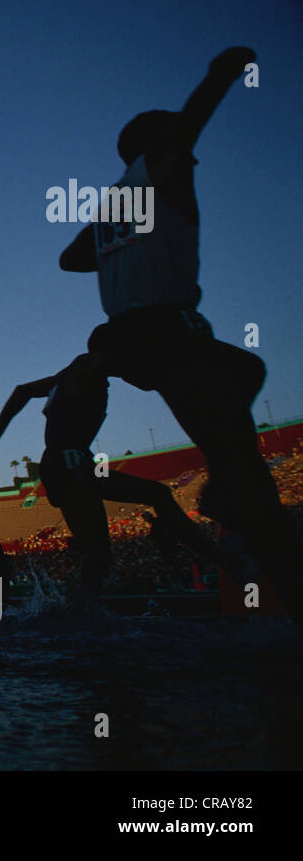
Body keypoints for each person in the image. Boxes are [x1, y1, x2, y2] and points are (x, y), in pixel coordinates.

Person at [58, 45, 299, 619]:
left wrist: (114, 245)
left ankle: (232, 495)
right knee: (246, 459)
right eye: (184, 155)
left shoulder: (115, 205)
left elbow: (70, 259)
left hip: (134, 339)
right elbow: (186, 133)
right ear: (161, 151)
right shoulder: (152, 176)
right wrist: (220, 76)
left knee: (246, 392)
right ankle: (226, 495)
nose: (192, 166)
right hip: (167, 332)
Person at [0, 353, 232, 603]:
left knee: (113, 541)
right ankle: (223, 559)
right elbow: (24, 391)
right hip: (67, 465)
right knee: (101, 551)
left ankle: (76, 611)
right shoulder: (85, 370)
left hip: (76, 463)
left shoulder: (76, 375)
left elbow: (23, 391)